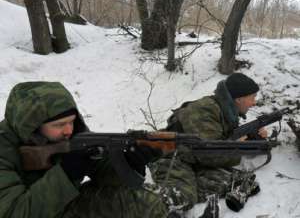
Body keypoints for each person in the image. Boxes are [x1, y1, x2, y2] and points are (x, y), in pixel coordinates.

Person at [0, 81, 167, 218]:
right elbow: (12, 213)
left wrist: (130, 162)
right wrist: (66, 174)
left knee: (144, 204)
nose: (68, 130)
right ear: (33, 125)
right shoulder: (4, 149)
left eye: (71, 121)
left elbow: (103, 171)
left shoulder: (74, 135)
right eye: (58, 125)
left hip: (64, 206)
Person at [148, 73, 268, 217]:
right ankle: (147, 201)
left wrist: (253, 139)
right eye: (252, 97)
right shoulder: (206, 110)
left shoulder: (225, 110)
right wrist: (238, 146)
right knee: (182, 196)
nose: (254, 102)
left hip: (193, 158)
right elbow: (210, 155)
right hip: (171, 156)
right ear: (239, 99)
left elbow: (220, 141)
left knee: (241, 181)